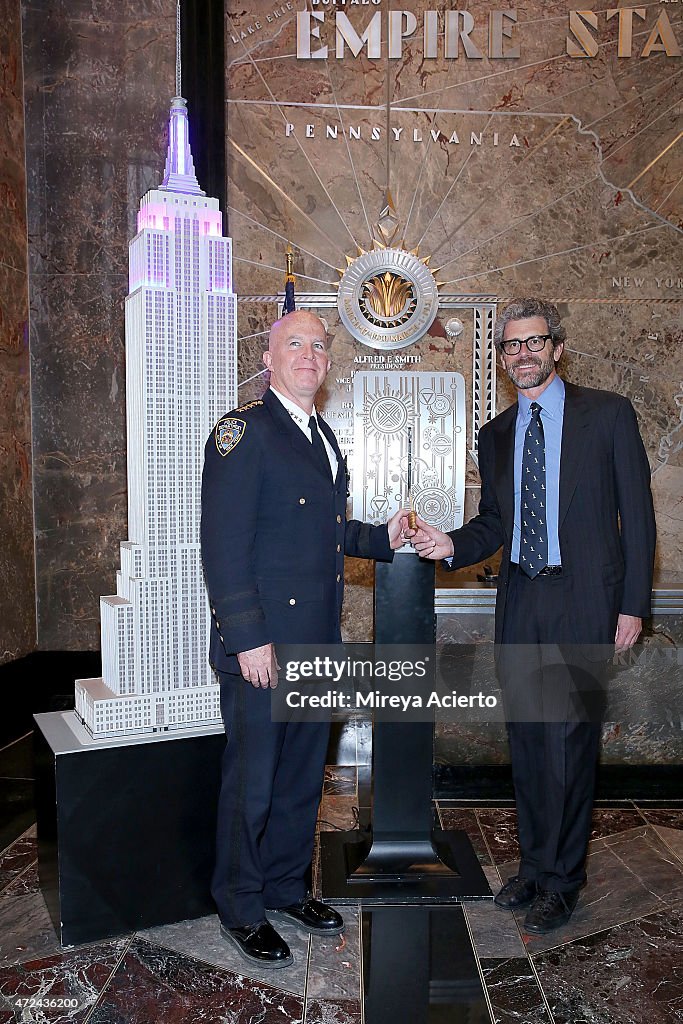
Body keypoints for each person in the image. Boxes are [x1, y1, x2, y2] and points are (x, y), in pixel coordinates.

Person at [407, 297, 655, 934]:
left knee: (569, 745)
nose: (521, 353)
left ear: (557, 347)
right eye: (510, 345)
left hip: (584, 601)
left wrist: (631, 606)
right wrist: (450, 545)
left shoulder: (608, 416)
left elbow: (639, 518)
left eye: (533, 342)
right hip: (521, 599)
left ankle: (563, 881)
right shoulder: (495, 436)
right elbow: (495, 523)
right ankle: (535, 866)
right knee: (527, 741)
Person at [201, 310, 404, 967]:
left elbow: (323, 532)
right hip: (264, 648)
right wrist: (246, 637)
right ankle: (239, 905)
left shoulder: (322, 437)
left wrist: (380, 539)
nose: (310, 356)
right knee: (251, 786)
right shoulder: (243, 433)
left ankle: (287, 887)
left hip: (316, 642)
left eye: (319, 346)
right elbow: (223, 544)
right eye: (296, 344)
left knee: (296, 784)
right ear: (270, 354)